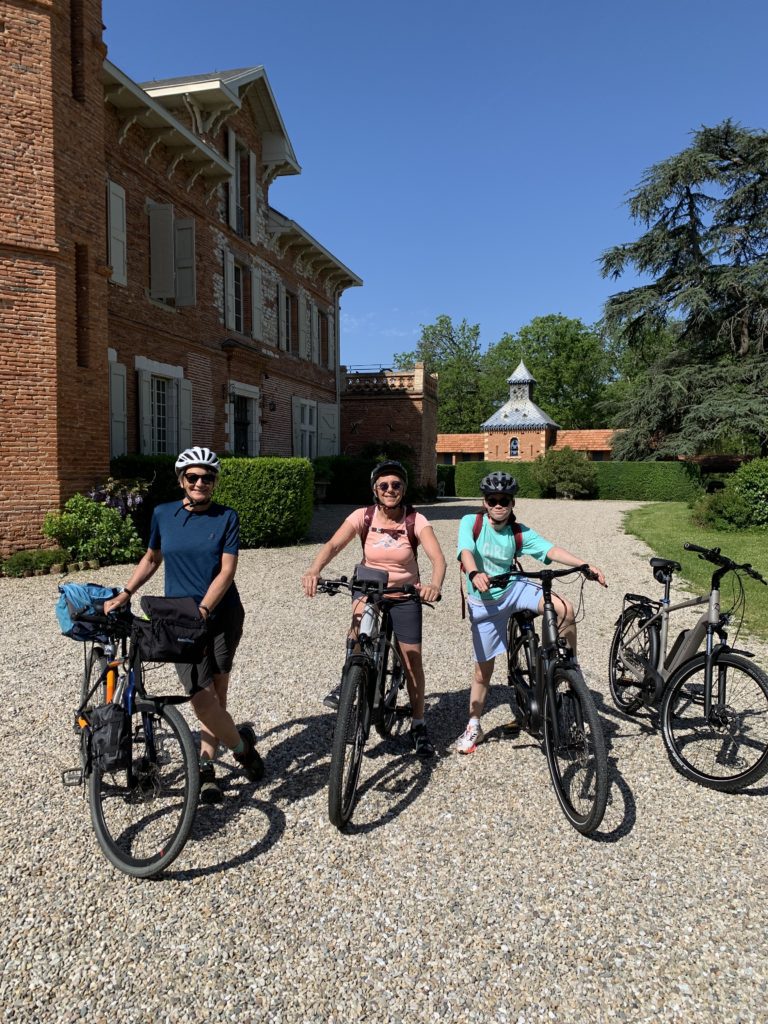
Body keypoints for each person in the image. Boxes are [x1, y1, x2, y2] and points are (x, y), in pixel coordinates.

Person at [104, 446, 263, 802]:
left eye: (208, 477)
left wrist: (204, 609)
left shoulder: (227, 517)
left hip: (221, 615)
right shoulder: (163, 514)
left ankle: (206, 766)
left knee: (217, 695)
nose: (200, 482)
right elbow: (151, 558)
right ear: (181, 481)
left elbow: (227, 571)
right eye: (193, 477)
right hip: (178, 619)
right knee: (201, 698)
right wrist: (126, 592)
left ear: (215, 482)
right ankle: (242, 750)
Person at [301, 460, 446, 759]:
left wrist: (434, 584)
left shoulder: (415, 520)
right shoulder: (362, 516)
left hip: (405, 593)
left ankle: (418, 724)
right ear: (375, 490)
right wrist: (314, 569)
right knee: (358, 633)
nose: (390, 490)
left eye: (396, 485)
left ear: (404, 489)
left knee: (411, 660)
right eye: (384, 485)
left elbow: (438, 559)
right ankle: (349, 680)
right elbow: (332, 545)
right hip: (370, 587)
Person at [455, 470, 607, 754]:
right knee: (482, 671)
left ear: (513, 503)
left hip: (514, 587)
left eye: (505, 500)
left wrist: (585, 565)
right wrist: (474, 571)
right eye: (493, 499)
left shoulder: (518, 531)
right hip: (485, 602)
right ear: (485, 502)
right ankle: (474, 723)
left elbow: (551, 550)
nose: (498, 505)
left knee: (564, 608)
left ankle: (568, 666)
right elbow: (465, 550)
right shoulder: (471, 523)